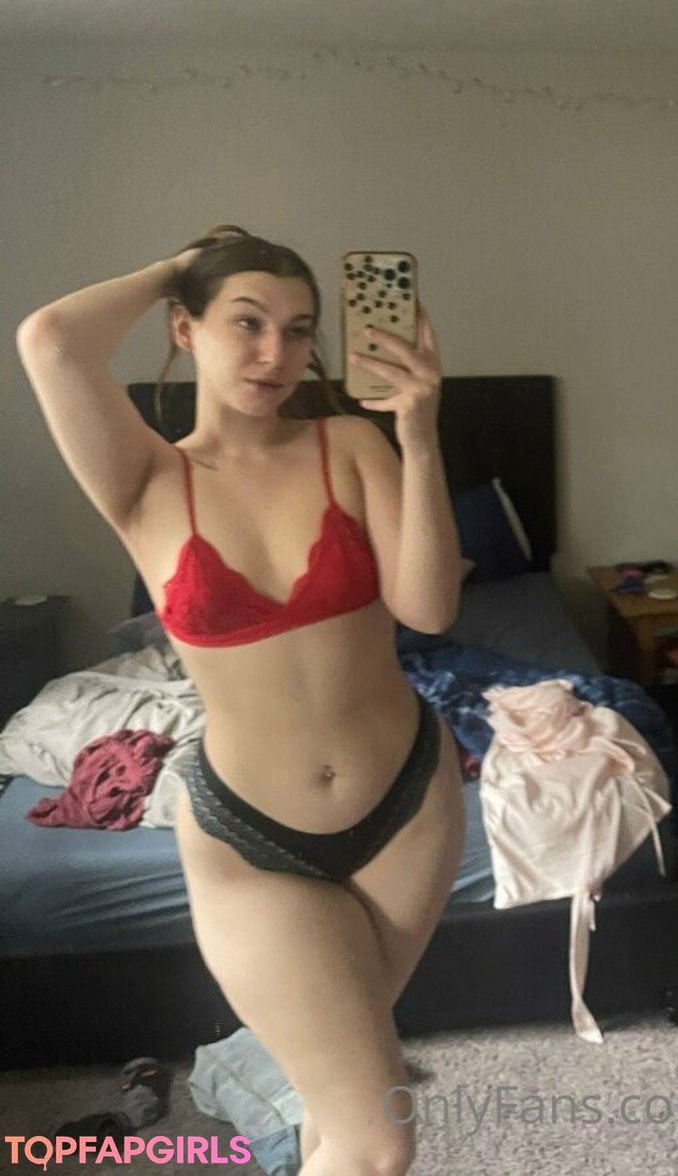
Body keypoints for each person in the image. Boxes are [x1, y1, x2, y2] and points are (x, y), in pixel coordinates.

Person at [16, 226, 467, 1176]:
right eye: (247, 323)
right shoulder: (144, 476)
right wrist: (177, 265)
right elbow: (50, 338)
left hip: (409, 805)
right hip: (252, 839)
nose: (276, 353)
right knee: (378, 1140)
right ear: (184, 327)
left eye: (299, 330)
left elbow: (429, 606)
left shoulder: (349, 442)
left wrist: (419, 434)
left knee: (339, 1096)